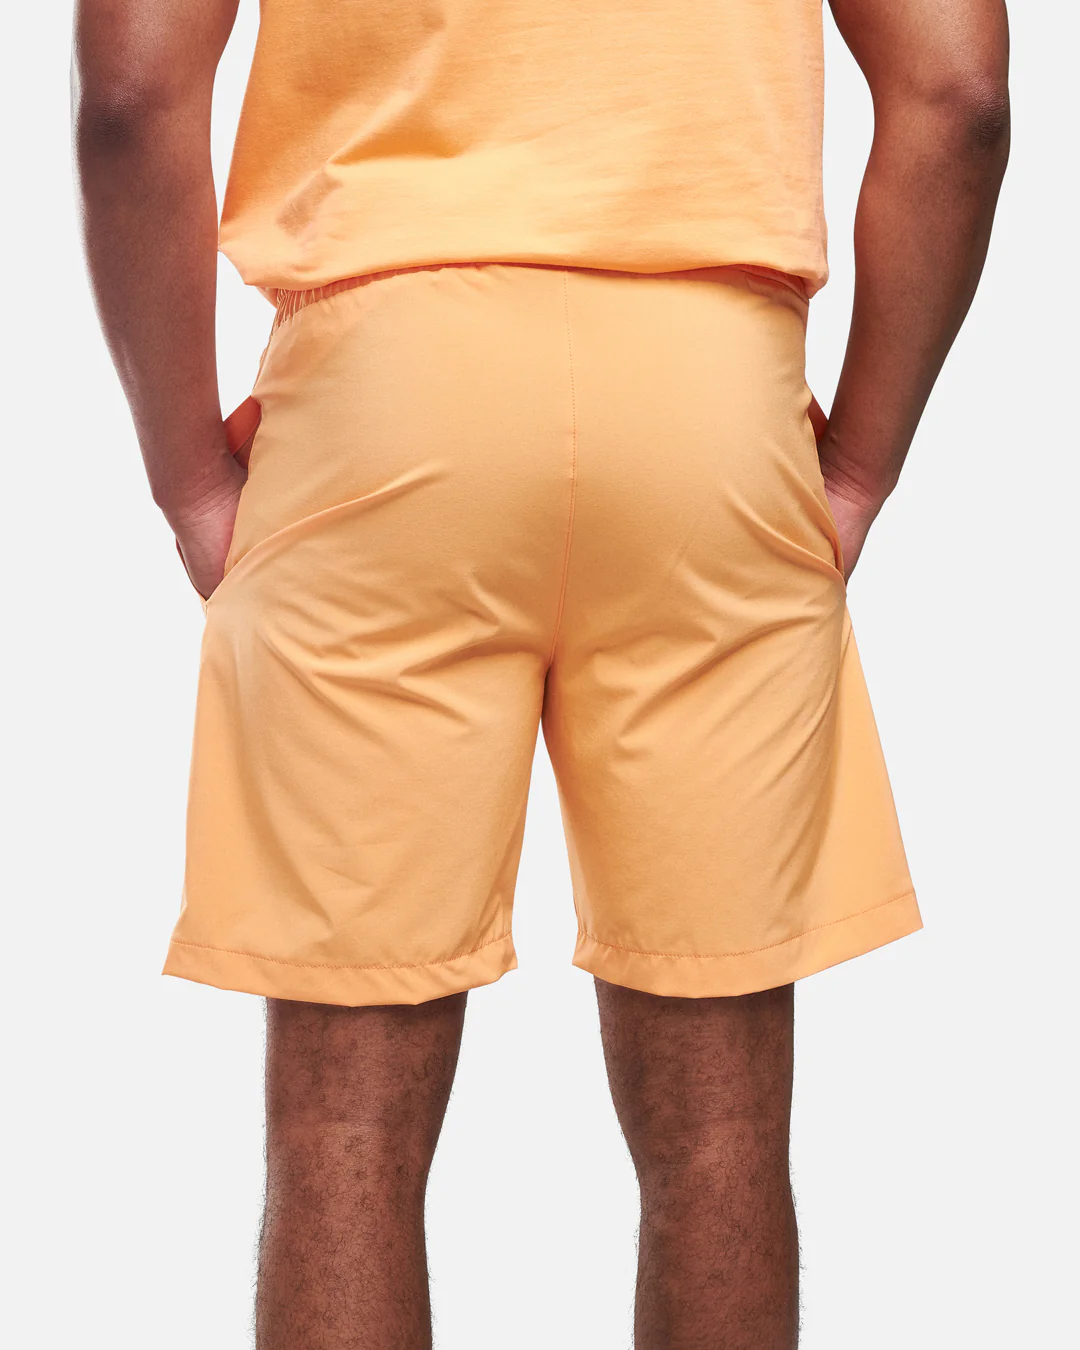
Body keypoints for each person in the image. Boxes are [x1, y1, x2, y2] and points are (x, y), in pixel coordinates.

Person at [73, 0, 1009, 1344]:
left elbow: (130, 96)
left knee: (345, 1127)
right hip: (708, 403)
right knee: (721, 1137)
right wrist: (856, 466)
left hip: (385, 402)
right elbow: (960, 94)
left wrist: (184, 477)